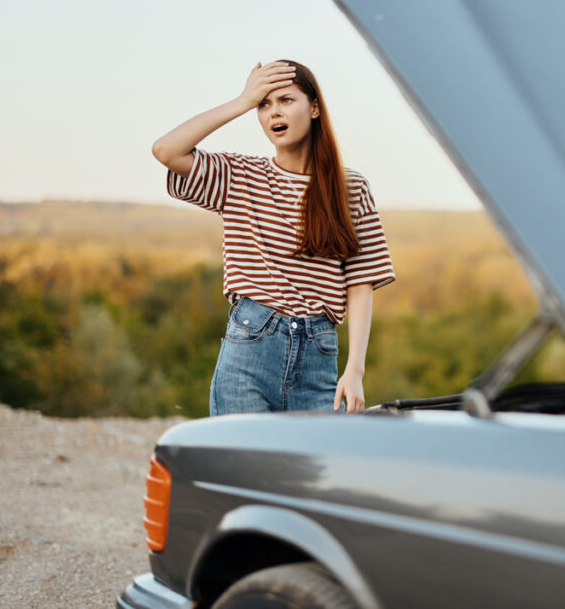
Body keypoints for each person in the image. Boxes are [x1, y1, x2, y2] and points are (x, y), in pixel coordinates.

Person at [151, 60, 395, 415]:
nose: (273, 112)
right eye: (264, 105)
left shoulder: (350, 187)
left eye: (285, 100)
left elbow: (360, 282)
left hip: (319, 353)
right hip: (250, 348)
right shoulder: (239, 176)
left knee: (319, 469)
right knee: (242, 470)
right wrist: (241, 101)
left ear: (314, 108)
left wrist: (355, 371)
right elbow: (166, 150)